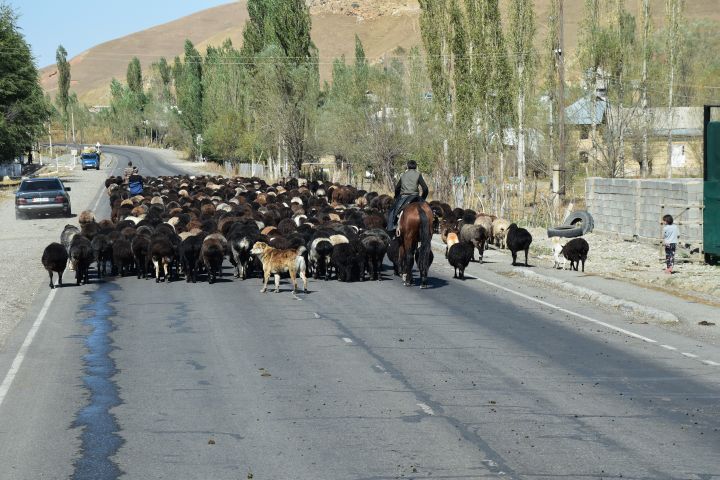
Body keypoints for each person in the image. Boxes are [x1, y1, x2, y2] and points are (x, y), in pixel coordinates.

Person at [386, 160, 429, 232]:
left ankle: (392, 228)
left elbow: (397, 188)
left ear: (407, 166)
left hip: (404, 197)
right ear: (416, 166)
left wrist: (396, 197)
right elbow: (425, 188)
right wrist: (422, 198)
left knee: (392, 211)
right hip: (416, 196)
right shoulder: (418, 174)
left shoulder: (403, 175)